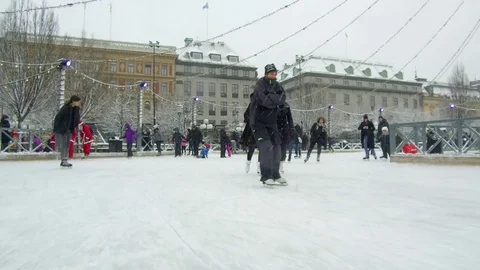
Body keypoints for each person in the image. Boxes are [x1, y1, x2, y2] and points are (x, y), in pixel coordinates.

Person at [250, 63, 286, 185]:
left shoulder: (278, 85)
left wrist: (270, 96)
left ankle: (275, 174)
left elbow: (281, 100)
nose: (274, 76)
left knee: (277, 147)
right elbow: (262, 100)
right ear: (266, 74)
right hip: (259, 122)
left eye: (275, 74)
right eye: (271, 73)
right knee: (266, 147)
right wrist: (273, 99)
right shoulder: (260, 84)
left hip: (272, 122)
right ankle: (266, 176)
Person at [53, 95, 81, 167]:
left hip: (70, 129)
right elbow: (58, 117)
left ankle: (65, 159)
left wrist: (76, 126)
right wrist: (55, 128)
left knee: (67, 145)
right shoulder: (66, 108)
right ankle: (63, 160)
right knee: (63, 145)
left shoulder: (76, 109)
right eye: (77, 101)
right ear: (73, 101)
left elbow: (76, 118)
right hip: (63, 129)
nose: (78, 103)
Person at [240, 96, 260, 174]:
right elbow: (246, 115)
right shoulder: (251, 105)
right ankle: (248, 162)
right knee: (251, 147)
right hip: (251, 130)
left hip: (261, 129)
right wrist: (251, 120)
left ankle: (259, 166)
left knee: (262, 148)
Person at [277, 102, 294, 172]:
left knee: (283, 148)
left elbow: (290, 118)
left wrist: (291, 128)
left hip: (284, 130)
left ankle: (281, 164)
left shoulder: (286, 106)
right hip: (275, 129)